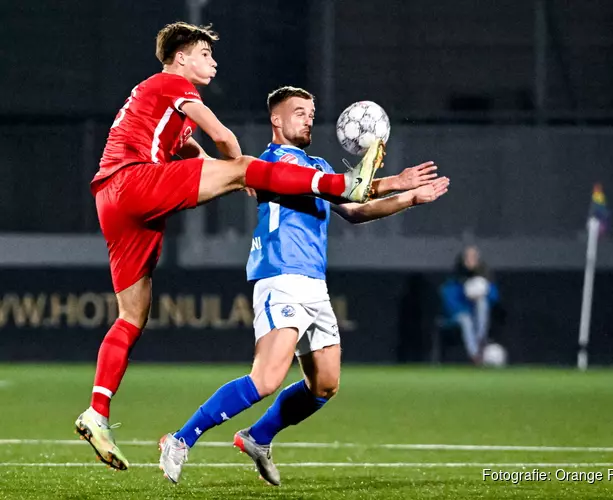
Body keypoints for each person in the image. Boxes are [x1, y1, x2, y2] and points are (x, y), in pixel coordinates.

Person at [73, 23, 385, 471]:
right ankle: (342, 183)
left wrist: (226, 173)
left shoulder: (157, 108)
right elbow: (222, 139)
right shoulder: (172, 82)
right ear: (181, 57)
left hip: (112, 199)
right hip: (134, 181)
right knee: (243, 164)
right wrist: (241, 174)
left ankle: (97, 411)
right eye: (205, 53)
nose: (213, 62)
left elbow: (195, 155)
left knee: (131, 316)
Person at [157, 86, 450, 484]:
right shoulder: (271, 163)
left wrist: (409, 198)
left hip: (314, 283)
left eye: (311, 113)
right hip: (281, 277)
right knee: (266, 378)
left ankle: (258, 438)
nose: (309, 118)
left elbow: (354, 209)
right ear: (276, 120)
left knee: (325, 385)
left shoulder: (317, 164)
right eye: (299, 112)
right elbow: (341, 186)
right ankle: (179, 439)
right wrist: (394, 180)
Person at [439, 245, 500, 364]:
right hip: (458, 315)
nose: (471, 260)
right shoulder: (455, 278)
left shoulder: (484, 277)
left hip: (477, 317)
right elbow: (449, 301)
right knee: (466, 320)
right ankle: (475, 355)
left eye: (474, 257)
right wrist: (464, 307)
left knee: (482, 303)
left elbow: (494, 297)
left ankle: (480, 339)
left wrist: (482, 294)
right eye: (468, 257)